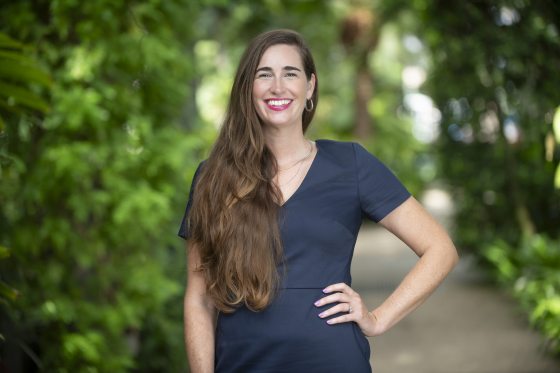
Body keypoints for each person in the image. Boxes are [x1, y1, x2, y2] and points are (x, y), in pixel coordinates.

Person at [178, 29, 459, 373]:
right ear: (247, 89)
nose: (277, 86)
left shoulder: (350, 164)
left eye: (290, 73)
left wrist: (378, 318)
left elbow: (440, 249)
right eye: (263, 74)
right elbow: (199, 297)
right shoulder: (213, 177)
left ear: (310, 86)